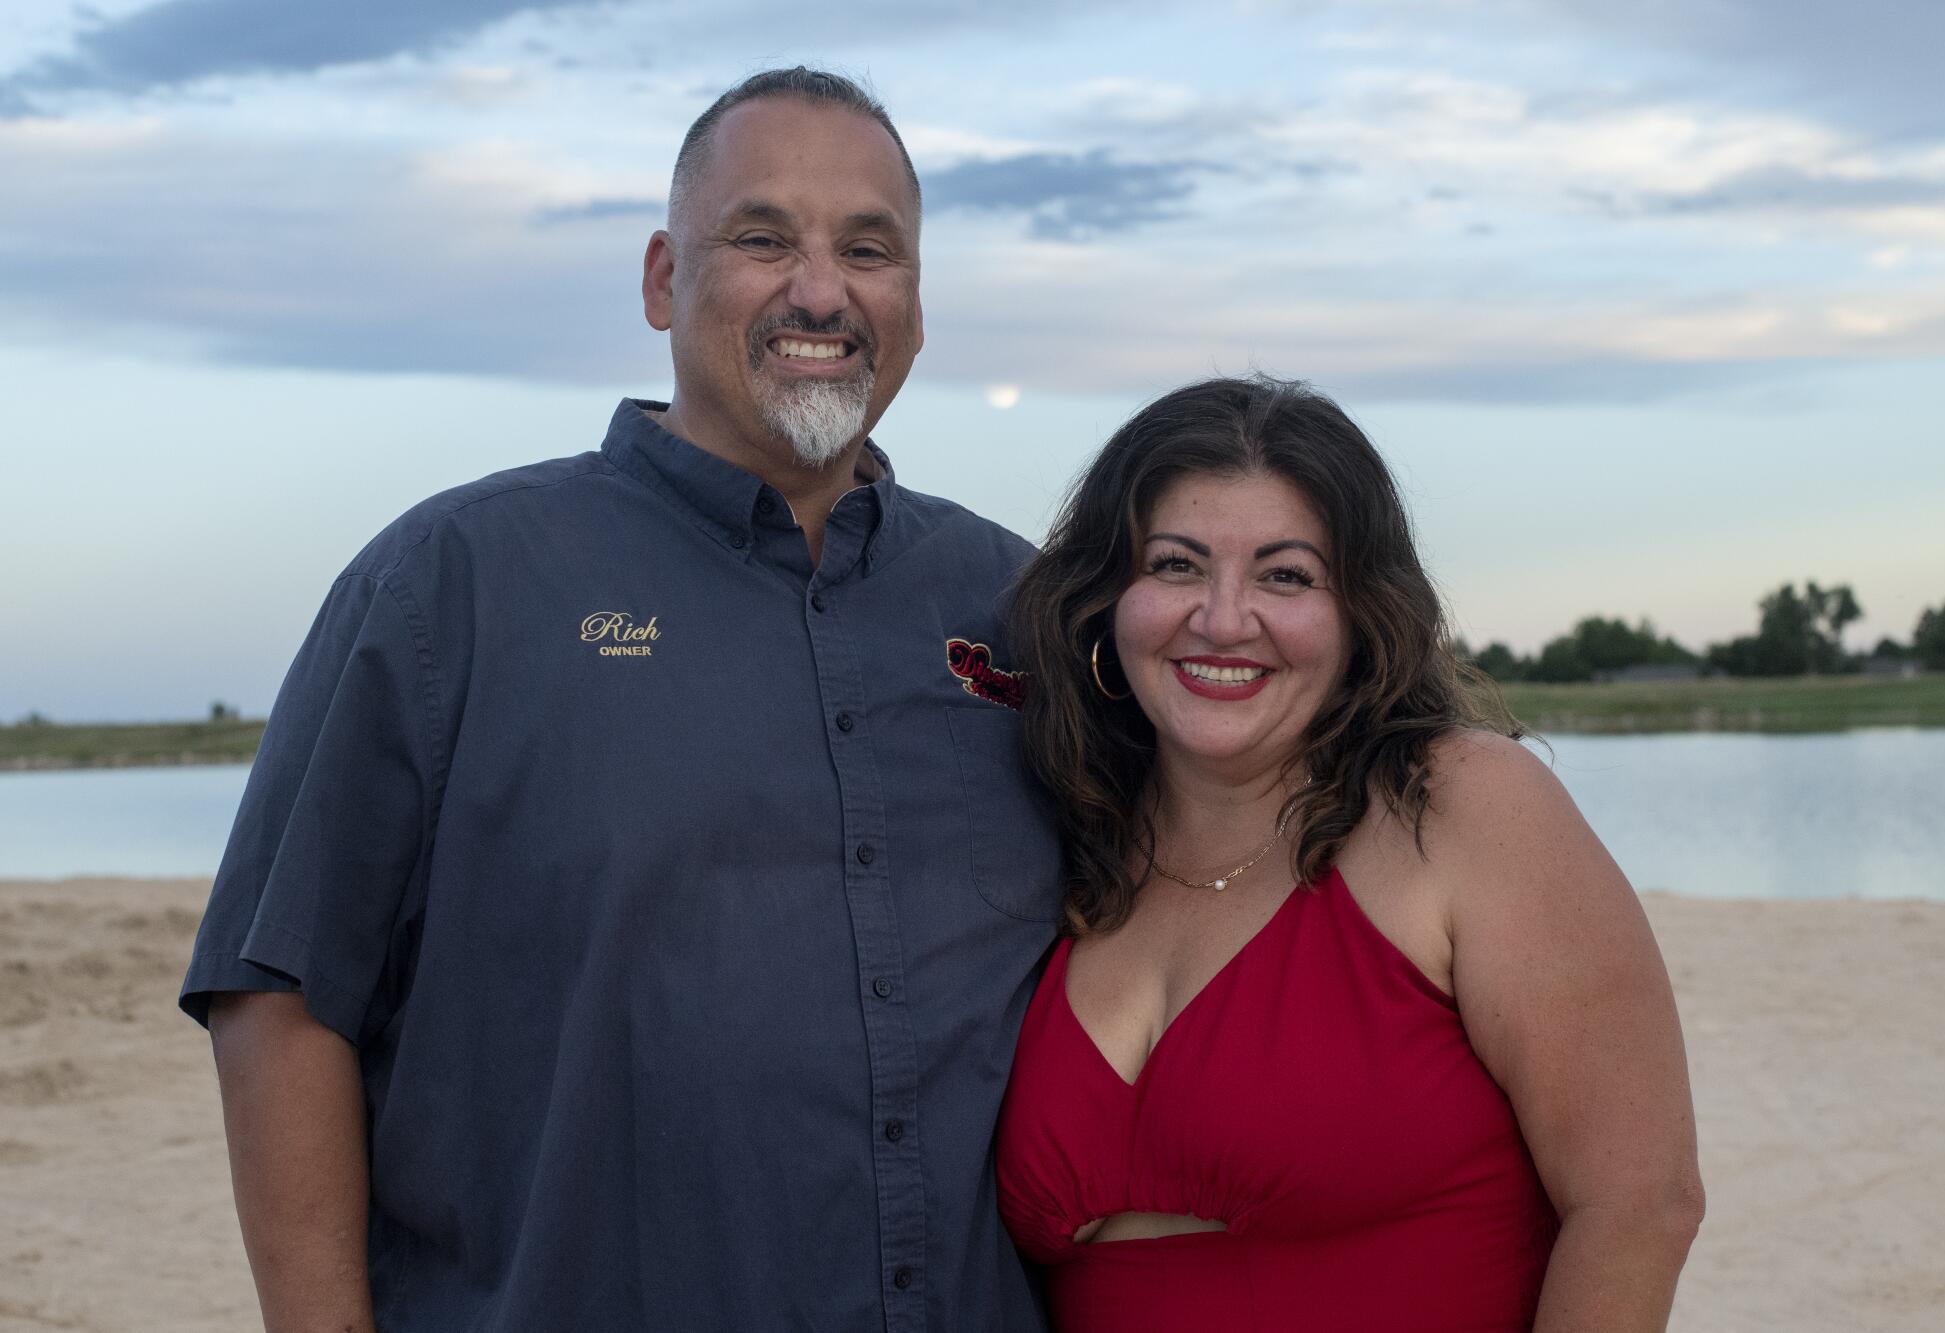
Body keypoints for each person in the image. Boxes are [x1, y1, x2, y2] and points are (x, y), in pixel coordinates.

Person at [180, 68, 1063, 1331]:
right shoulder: (452, 586)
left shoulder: (1019, 606)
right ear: (661, 281)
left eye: (869, 250)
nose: (821, 290)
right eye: (762, 239)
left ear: (914, 303)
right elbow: (277, 997)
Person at [995, 376, 1703, 1331]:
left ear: (1360, 611)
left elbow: (1639, 1205)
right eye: (1176, 564)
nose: (1222, 617)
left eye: (1286, 575)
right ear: (1107, 598)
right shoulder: (1060, 837)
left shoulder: (1463, 806)